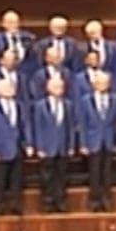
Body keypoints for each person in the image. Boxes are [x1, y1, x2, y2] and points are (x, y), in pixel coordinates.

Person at [29, 74, 79, 212]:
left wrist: (70, 146)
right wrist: (39, 147)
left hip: (62, 147)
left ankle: (61, 201)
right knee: (47, 177)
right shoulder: (40, 106)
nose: (59, 89)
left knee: (62, 176)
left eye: (61, 87)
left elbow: (70, 127)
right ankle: (47, 202)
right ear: (48, 88)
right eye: (56, 86)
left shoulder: (68, 104)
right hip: (47, 147)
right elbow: (37, 127)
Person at [0, 78, 27, 216]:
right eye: (8, 87)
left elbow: (23, 126)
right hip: (0, 150)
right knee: (0, 181)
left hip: (16, 148)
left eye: (12, 86)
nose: (11, 88)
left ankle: (15, 204)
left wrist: (27, 144)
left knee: (16, 180)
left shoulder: (19, 105)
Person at [81, 71, 116, 212]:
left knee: (107, 173)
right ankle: (94, 201)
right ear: (93, 84)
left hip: (109, 140)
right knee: (94, 173)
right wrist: (83, 144)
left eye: (105, 82)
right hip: (93, 141)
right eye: (99, 83)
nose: (102, 85)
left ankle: (106, 200)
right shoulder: (86, 100)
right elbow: (83, 124)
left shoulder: (115, 99)